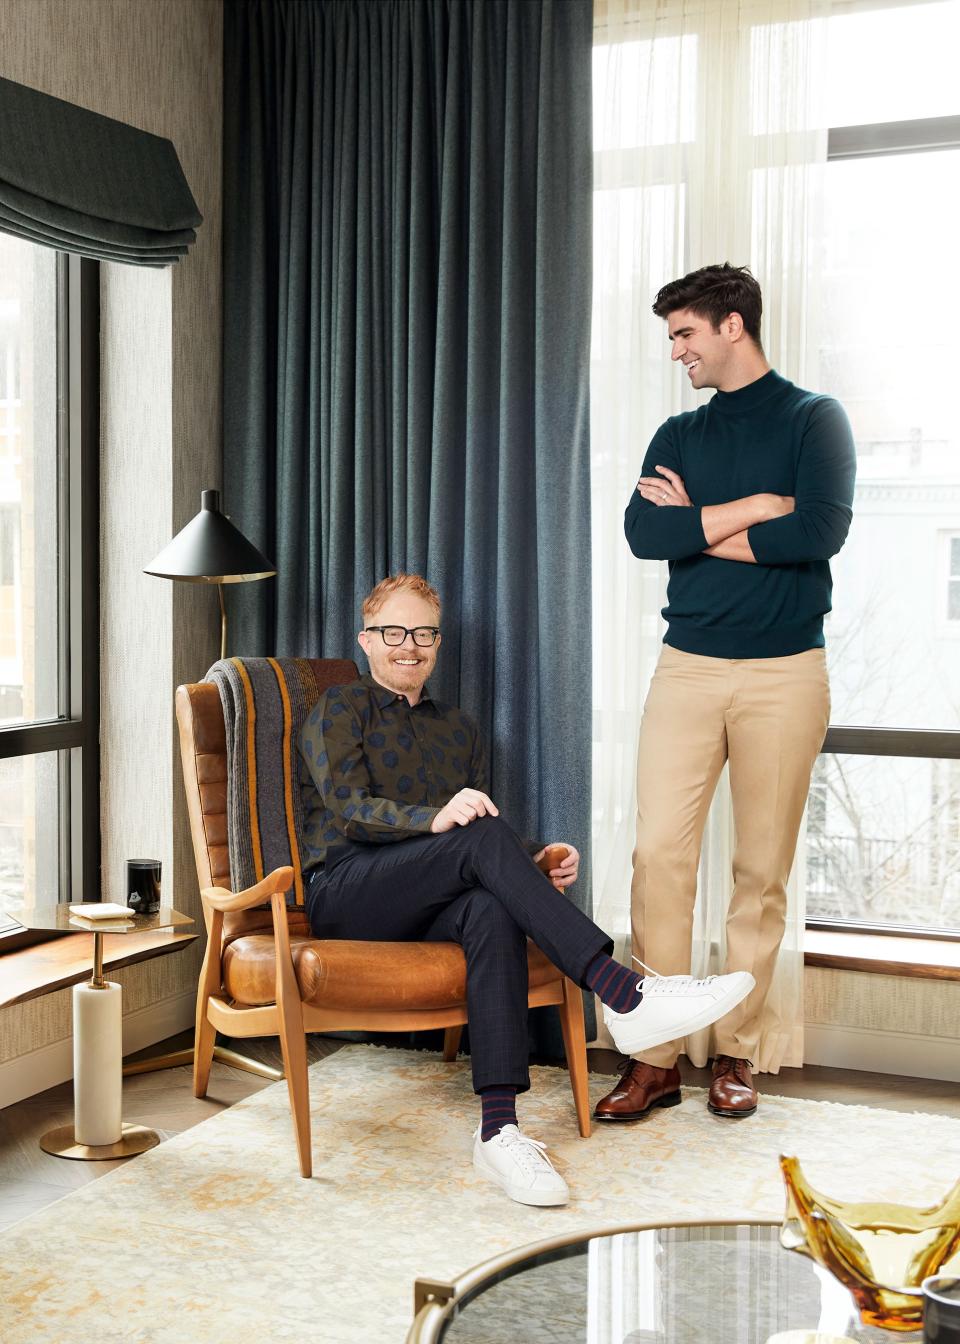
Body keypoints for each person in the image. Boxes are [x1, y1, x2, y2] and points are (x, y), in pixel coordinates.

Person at [298, 572, 754, 1207]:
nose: (410, 645)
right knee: (482, 834)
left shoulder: (460, 729)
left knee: (490, 904)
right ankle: (624, 992)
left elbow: (465, 851)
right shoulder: (339, 708)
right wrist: (440, 822)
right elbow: (348, 809)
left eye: (424, 632)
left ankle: (498, 1129)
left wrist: (537, 859)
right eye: (394, 632)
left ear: (437, 641)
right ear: (366, 640)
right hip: (345, 890)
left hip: (427, 899)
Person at [594, 263, 856, 1126]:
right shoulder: (677, 433)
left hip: (786, 673)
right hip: (688, 667)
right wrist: (750, 507)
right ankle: (655, 1055)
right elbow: (644, 533)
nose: (676, 352)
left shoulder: (816, 419)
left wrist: (699, 527)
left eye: (685, 334)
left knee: (760, 873)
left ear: (732, 325)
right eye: (673, 337)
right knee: (658, 860)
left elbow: (819, 531)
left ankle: (737, 1052)